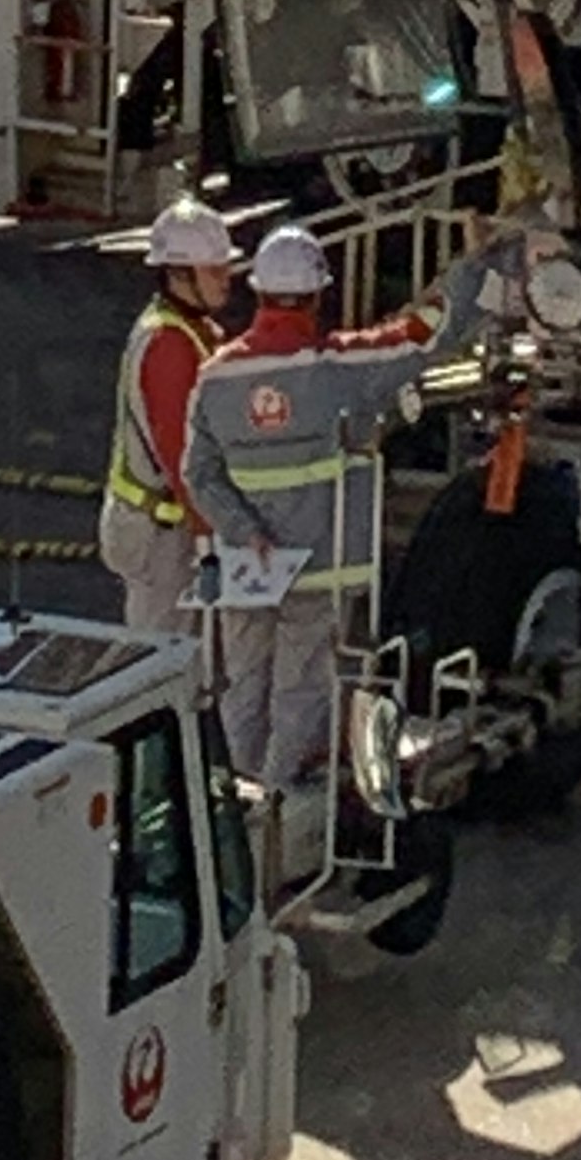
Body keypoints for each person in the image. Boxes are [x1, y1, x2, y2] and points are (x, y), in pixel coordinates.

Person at [183, 221, 434, 807]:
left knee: (243, 683)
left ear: (260, 292)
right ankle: (276, 801)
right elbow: (417, 344)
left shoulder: (214, 376)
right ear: (318, 295)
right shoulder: (335, 368)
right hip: (321, 569)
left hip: (247, 564)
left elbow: (200, 476)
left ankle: (235, 800)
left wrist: (246, 532)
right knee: (302, 686)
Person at [96, 199, 240, 632]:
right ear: (179, 275)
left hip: (162, 523)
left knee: (180, 657)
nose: (226, 279)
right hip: (157, 533)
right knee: (156, 660)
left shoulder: (194, 333)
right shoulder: (169, 346)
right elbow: (183, 457)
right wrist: (208, 540)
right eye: (214, 270)